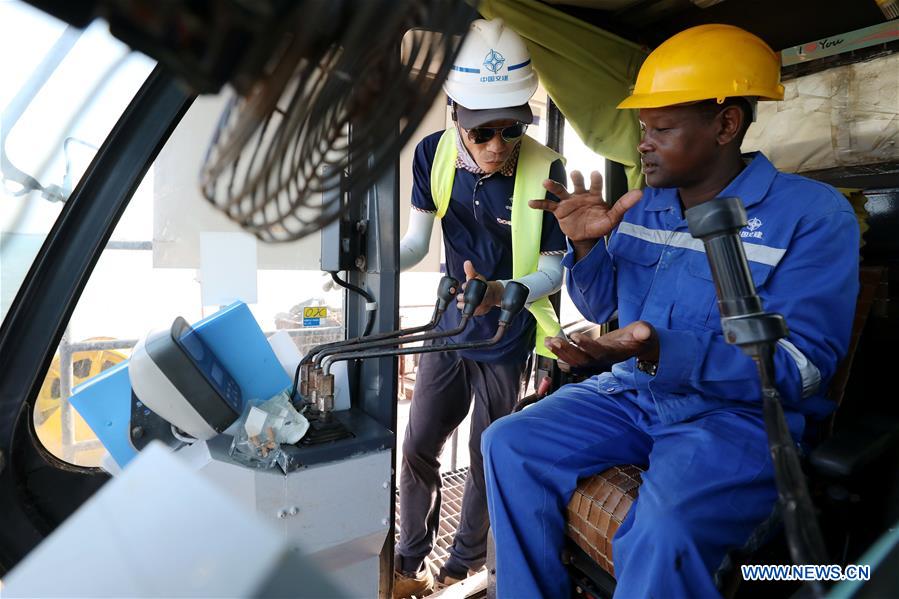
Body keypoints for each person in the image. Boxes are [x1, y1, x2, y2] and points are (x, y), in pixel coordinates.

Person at [482, 24, 860, 598]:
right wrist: (586, 247)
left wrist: (661, 350)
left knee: (663, 529)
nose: (642, 144)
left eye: (661, 128)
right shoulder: (642, 205)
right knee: (507, 442)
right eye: (642, 128)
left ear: (725, 125)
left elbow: (804, 367)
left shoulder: (810, 215)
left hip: (736, 418)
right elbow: (600, 304)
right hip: (633, 394)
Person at [393, 18, 569, 598]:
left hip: (506, 329)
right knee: (419, 441)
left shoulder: (546, 169)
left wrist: (504, 290)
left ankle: (461, 564)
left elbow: (552, 266)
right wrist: (375, 255)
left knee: (485, 449)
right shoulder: (431, 155)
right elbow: (418, 243)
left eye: (510, 130)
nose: (498, 147)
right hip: (450, 322)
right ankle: (409, 557)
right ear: (455, 115)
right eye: (482, 133)